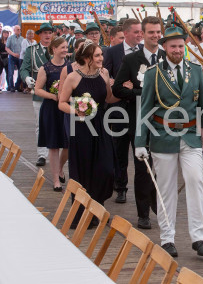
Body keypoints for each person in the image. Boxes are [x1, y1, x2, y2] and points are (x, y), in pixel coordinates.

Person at [134, 27, 203, 258]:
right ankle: (167, 238)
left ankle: (199, 237)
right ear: (164, 48)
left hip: (190, 137)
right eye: (173, 47)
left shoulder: (196, 71)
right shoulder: (153, 73)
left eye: (181, 46)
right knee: (166, 189)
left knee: (196, 181)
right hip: (162, 137)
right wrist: (140, 141)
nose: (177, 50)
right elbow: (145, 110)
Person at [112, 16, 162, 229]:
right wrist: (140, 93)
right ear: (143, 33)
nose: (155, 36)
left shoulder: (168, 57)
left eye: (158, 32)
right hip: (138, 120)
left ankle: (158, 204)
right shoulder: (132, 60)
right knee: (142, 168)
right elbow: (117, 89)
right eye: (151, 32)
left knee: (161, 167)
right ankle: (144, 214)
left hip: (163, 122)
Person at [58, 40, 118, 206]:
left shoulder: (104, 73)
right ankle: (81, 212)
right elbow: (62, 103)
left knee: (106, 168)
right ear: (86, 58)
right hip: (80, 127)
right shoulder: (73, 77)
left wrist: (125, 91)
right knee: (83, 170)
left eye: (101, 55)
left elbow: (109, 98)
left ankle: (97, 204)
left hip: (100, 125)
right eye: (97, 55)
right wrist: (76, 111)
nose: (101, 58)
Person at [103, 18, 143, 204]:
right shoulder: (112, 52)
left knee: (140, 150)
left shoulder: (145, 52)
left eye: (140, 31)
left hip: (140, 109)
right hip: (118, 108)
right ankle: (121, 188)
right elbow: (106, 75)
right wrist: (114, 83)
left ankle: (143, 192)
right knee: (119, 150)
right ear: (125, 33)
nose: (139, 35)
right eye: (136, 32)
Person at [34, 37, 69, 191]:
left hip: (66, 108)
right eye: (62, 47)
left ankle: (60, 168)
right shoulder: (45, 68)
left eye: (66, 47)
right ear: (54, 49)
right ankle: (56, 179)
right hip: (51, 109)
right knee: (53, 145)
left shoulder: (70, 67)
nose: (65, 50)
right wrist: (53, 95)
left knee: (68, 144)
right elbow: (37, 89)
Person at [20, 22, 53, 167]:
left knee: (56, 124)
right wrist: (26, 77)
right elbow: (24, 68)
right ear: (39, 35)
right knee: (40, 124)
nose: (47, 35)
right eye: (44, 32)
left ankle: (55, 153)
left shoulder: (59, 49)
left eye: (49, 32)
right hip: (39, 92)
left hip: (57, 93)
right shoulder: (32, 50)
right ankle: (42, 154)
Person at [5, 25, 24, 92]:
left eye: (19, 29)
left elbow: (24, 49)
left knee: (21, 73)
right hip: (12, 57)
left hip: (20, 57)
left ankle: (17, 86)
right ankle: (11, 86)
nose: (19, 31)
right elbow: (7, 48)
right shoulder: (10, 38)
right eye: (17, 29)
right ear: (14, 30)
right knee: (11, 72)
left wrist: (20, 54)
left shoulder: (22, 39)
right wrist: (13, 54)